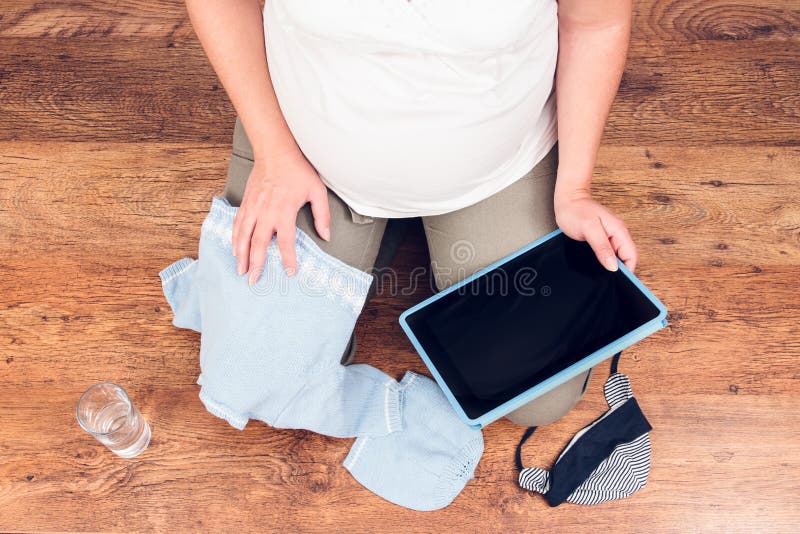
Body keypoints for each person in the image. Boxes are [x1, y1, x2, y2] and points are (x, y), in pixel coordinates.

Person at [185, 0, 638, 427]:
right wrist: (273, 152)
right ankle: (373, 233)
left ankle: (381, 239)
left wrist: (574, 187)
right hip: (302, 155)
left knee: (537, 392)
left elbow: (596, 22)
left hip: (499, 168)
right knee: (254, 377)